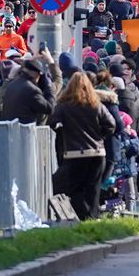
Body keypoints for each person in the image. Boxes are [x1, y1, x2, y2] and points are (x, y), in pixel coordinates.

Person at [49, 71, 117, 221]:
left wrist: (64, 131)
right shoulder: (96, 105)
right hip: (98, 153)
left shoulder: (64, 106)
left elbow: (52, 122)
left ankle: (84, 216)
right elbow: (111, 124)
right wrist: (100, 136)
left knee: (74, 189)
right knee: (93, 189)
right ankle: (92, 218)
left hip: (74, 153)